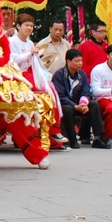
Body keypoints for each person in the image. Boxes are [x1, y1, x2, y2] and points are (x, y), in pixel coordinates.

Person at [8, 13, 66, 150]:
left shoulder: (29, 42)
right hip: (17, 75)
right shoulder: (12, 41)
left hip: (29, 73)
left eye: (31, 26)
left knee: (50, 89)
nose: (29, 28)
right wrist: (29, 53)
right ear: (18, 26)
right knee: (42, 92)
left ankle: (54, 130)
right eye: (26, 25)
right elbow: (12, 60)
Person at [52, 49, 111, 149]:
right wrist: (75, 106)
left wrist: (83, 103)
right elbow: (60, 95)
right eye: (77, 61)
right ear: (68, 61)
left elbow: (87, 90)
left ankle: (98, 138)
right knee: (68, 109)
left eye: (81, 61)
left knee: (94, 104)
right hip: (65, 104)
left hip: (78, 103)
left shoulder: (82, 75)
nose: (80, 63)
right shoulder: (59, 75)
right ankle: (72, 139)